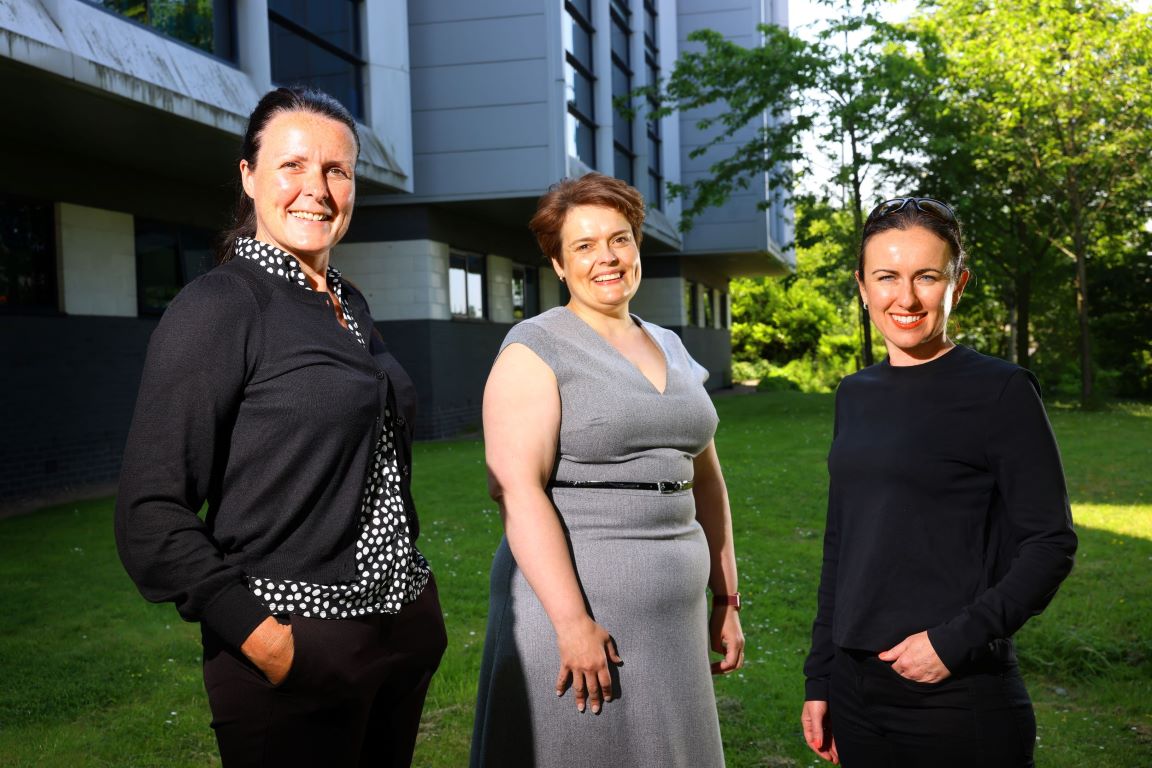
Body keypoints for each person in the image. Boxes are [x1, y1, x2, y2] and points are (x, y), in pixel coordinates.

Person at [115, 86, 446, 767]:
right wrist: (266, 640)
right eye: (292, 165)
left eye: (336, 170)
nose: (315, 189)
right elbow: (150, 514)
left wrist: (416, 618)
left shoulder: (347, 302)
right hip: (296, 644)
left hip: (397, 632)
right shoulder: (221, 305)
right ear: (248, 176)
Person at [469, 173, 744, 767]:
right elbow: (515, 489)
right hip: (579, 612)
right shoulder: (535, 347)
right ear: (559, 263)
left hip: (675, 615)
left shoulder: (672, 346)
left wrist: (727, 598)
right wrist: (571, 623)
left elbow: (706, 479)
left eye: (618, 239)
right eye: (584, 246)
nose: (607, 259)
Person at [801, 197, 1078, 767]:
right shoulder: (854, 395)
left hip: (954, 692)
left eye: (926, 277)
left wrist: (951, 644)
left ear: (959, 283)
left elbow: (1050, 544)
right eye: (886, 277)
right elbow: (842, 547)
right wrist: (822, 675)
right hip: (855, 691)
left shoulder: (1001, 392)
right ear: (862, 285)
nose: (905, 299)